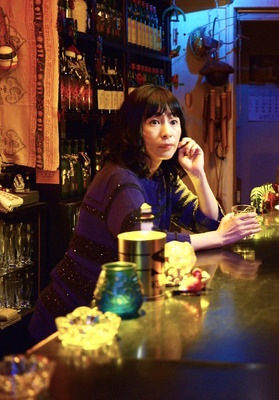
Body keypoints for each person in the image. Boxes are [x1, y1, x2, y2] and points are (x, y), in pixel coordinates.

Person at [29, 85, 261, 342]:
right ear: (133, 129)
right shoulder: (119, 177)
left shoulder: (161, 175)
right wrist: (220, 237)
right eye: (154, 122)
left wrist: (198, 175)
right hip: (71, 314)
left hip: (113, 308)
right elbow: (144, 242)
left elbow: (205, 223)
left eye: (173, 121)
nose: (167, 132)